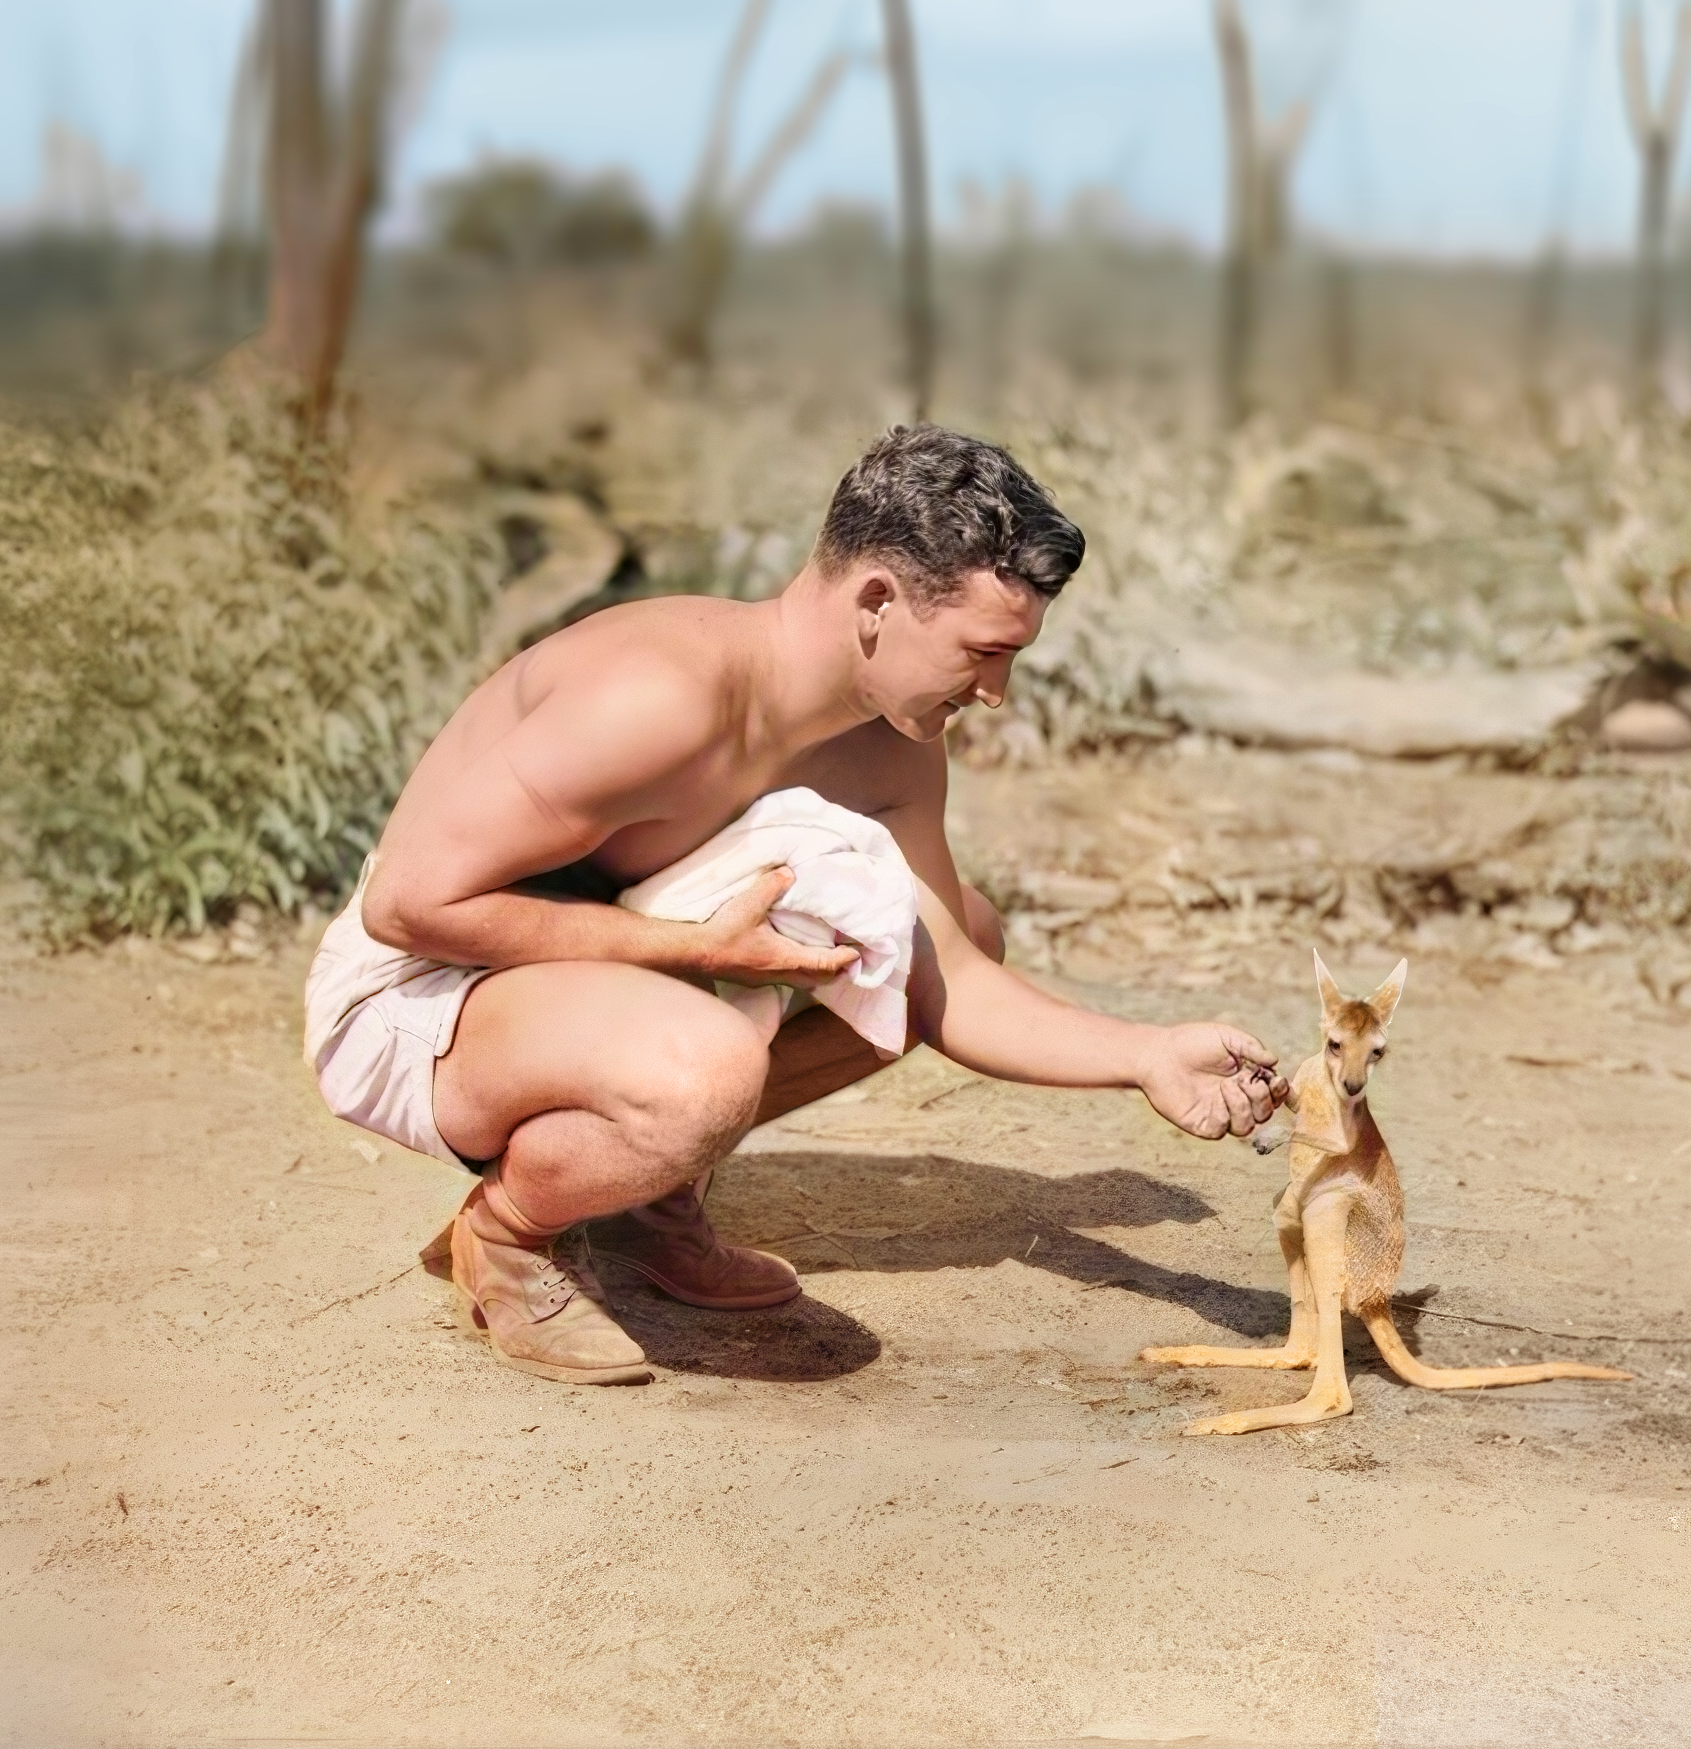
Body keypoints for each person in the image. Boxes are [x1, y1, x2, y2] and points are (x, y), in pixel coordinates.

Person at [306, 424, 1280, 1384]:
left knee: (946, 930)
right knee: (707, 1069)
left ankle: (647, 1195)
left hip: (577, 986)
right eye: (983, 651)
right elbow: (407, 904)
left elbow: (955, 981)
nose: (996, 692)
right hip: (412, 999)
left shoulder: (893, 747)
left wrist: (1143, 1054)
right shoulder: (658, 696)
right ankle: (507, 1234)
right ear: (876, 602)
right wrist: (685, 948)